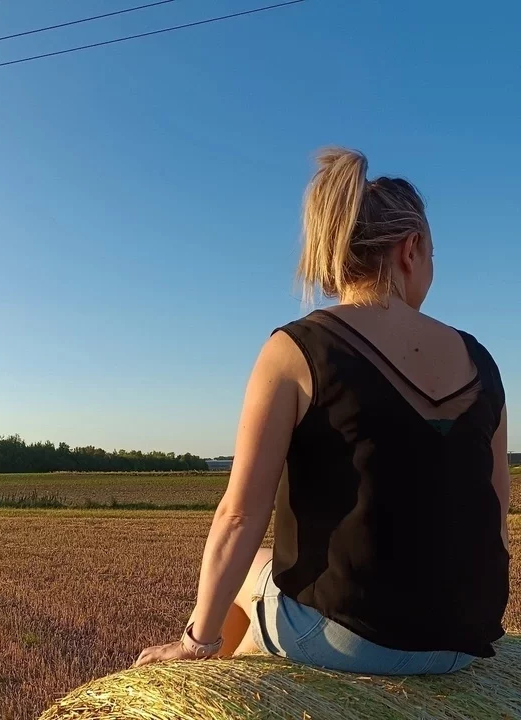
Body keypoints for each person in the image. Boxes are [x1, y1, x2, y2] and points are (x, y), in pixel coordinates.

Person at [135, 147, 510, 675]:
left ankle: (217, 671)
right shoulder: (481, 359)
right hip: (465, 643)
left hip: (351, 639)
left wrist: (195, 638)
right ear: (411, 249)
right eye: (433, 255)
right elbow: (495, 517)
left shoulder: (296, 349)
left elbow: (240, 515)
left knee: (251, 573)